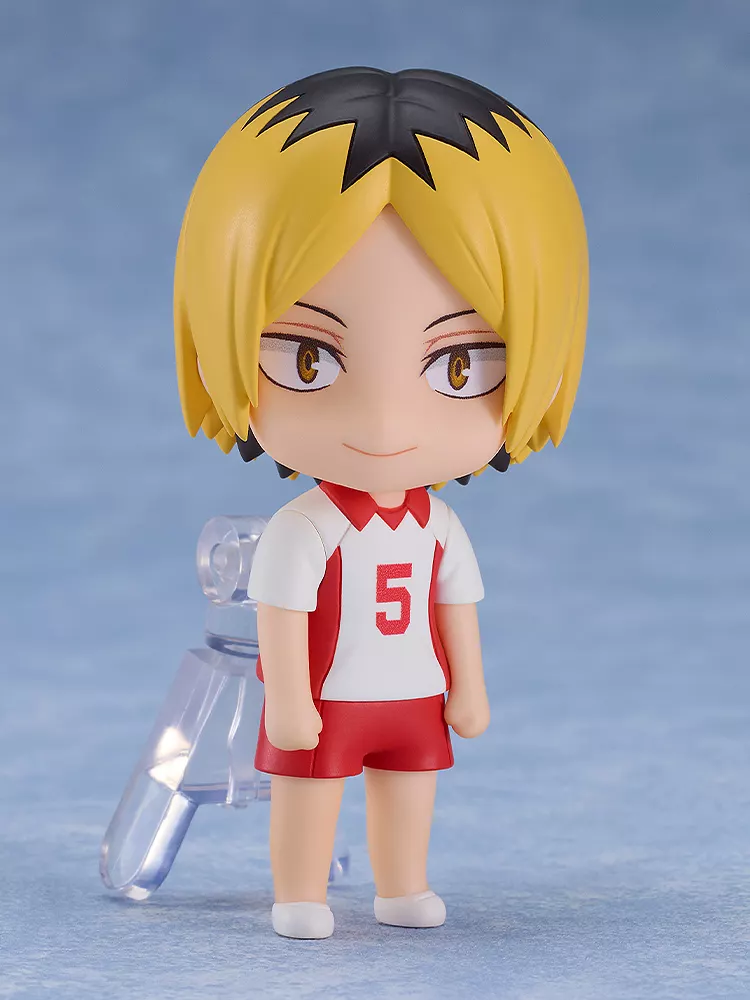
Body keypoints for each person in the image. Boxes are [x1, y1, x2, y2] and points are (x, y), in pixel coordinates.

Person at [174, 67, 588, 939]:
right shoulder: (307, 526)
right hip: (326, 697)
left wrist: (470, 689)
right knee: (311, 790)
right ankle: (300, 894)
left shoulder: (440, 525)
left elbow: (456, 608)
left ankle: (403, 886)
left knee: (410, 788)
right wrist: (290, 700)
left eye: (460, 366)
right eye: (309, 360)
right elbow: (282, 616)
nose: (386, 423)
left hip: (413, 693)